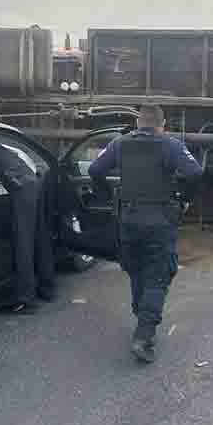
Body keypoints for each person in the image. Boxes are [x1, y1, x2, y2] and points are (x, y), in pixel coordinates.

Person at [88, 105, 203, 363]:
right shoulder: (170, 145)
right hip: (159, 219)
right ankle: (144, 333)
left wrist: (107, 196)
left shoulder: (120, 143)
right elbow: (195, 172)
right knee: (159, 273)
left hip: (128, 219)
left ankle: (142, 312)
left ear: (139, 123)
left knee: (136, 268)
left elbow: (95, 170)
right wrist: (184, 199)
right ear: (161, 125)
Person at [0, 137, 56, 314]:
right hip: (31, 181)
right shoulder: (3, 144)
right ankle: (47, 289)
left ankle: (25, 300)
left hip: (21, 186)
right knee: (39, 237)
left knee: (23, 243)